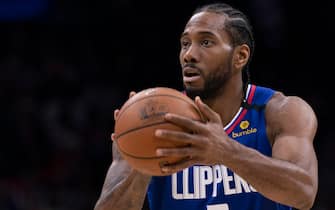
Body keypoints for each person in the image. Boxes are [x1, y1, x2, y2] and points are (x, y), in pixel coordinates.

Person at [94, 2, 318, 210]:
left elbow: (304, 193)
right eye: (185, 44)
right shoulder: (153, 122)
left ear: (240, 56)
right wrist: (139, 163)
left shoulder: (280, 112)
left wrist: (226, 152)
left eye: (206, 42)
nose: (189, 55)